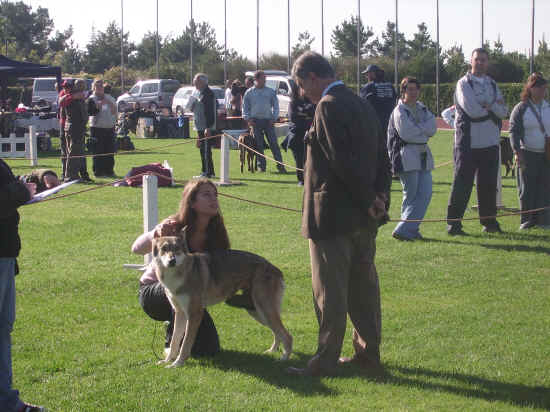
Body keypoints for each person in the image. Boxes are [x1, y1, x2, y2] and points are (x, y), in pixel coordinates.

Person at [286, 52, 390, 377]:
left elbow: (341, 161)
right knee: (364, 291)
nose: (303, 93)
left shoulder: (328, 105)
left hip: (333, 218)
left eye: (303, 85)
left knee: (330, 293)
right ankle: (367, 355)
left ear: (314, 77)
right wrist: (379, 197)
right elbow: (381, 156)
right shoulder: (361, 103)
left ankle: (324, 361)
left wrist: (368, 198)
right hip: (364, 216)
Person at [131, 179, 224, 357]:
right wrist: (156, 233)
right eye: (206, 195)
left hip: (190, 291)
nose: (214, 199)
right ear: (192, 202)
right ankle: (171, 343)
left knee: (209, 348)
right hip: (154, 291)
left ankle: (178, 333)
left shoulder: (216, 232)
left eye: (215, 195)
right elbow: (136, 248)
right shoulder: (174, 225)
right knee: (182, 291)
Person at [0, 159, 46, 412]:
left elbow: (7, 181)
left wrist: (40, 177)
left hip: (5, 253)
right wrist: (21, 192)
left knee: (3, 328)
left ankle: (7, 403)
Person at [446, 48, 508, 235]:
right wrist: (491, 107)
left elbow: (504, 110)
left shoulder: (492, 83)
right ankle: (454, 224)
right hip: (468, 143)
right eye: (477, 59)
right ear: (470, 62)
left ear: (487, 63)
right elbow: (472, 110)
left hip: (490, 142)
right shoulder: (463, 84)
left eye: (483, 60)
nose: (480, 63)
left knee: (489, 185)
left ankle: (490, 223)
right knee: (462, 185)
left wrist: (489, 107)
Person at [388, 77, 437, 241]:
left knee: (425, 193)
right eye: (409, 89)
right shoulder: (399, 111)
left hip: (423, 154)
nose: (413, 92)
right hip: (405, 154)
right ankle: (407, 229)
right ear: (403, 91)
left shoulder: (423, 108)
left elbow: (433, 128)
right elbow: (406, 133)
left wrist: (420, 129)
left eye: (415, 89)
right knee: (411, 195)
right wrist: (423, 130)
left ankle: (408, 228)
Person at [509, 72, 550, 230]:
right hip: (527, 153)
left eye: (543, 87)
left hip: (546, 154)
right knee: (527, 189)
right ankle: (527, 220)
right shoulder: (521, 108)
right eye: (537, 87)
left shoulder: (548, 107)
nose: (541, 90)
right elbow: (513, 131)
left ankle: (544, 221)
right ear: (530, 88)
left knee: (545, 187)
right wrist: (517, 151)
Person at [243, 70, 286, 173]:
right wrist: (248, 119)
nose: (265, 81)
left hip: (268, 121)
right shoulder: (249, 93)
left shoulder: (270, 92)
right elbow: (245, 108)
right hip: (255, 122)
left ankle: (280, 166)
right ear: (256, 80)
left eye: (265, 79)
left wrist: (274, 118)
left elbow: (276, 106)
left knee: (274, 144)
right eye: (263, 79)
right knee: (258, 145)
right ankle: (261, 166)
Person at [60, 79, 92, 183]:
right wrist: (72, 96)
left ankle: (76, 175)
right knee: (74, 152)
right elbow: (61, 102)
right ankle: (70, 176)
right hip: (73, 127)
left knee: (78, 152)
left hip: (78, 127)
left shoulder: (78, 95)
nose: (81, 87)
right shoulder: (69, 96)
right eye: (79, 85)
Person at [186, 73, 216, 178]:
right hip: (200, 126)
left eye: (196, 81)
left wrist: (208, 127)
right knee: (202, 150)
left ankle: (207, 172)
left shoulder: (208, 94)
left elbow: (210, 112)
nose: (194, 84)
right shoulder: (199, 93)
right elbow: (196, 109)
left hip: (206, 127)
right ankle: (208, 171)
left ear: (203, 82)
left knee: (206, 151)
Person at [285, 81, 315, 185]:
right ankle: (301, 180)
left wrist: (304, 115)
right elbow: (294, 118)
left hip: (311, 134)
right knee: (299, 159)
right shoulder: (293, 103)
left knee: (310, 159)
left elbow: (315, 116)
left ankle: (310, 179)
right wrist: (307, 116)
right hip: (296, 135)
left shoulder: (312, 101)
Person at [88, 79, 117, 177]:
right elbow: (91, 112)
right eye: (97, 86)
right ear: (94, 87)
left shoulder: (110, 98)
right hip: (97, 128)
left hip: (110, 127)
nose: (100, 87)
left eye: (101, 85)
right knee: (98, 151)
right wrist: (99, 104)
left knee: (109, 150)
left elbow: (114, 111)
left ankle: (109, 171)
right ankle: (98, 172)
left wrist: (108, 103)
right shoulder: (92, 98)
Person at [360, 65, 398, 134]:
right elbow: (395, 100)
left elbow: (361, 105)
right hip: (391, 122)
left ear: (372, 74)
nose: (366, 77)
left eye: (367, 75)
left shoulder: (368, 87)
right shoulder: (390, 86)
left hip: (374, 124)